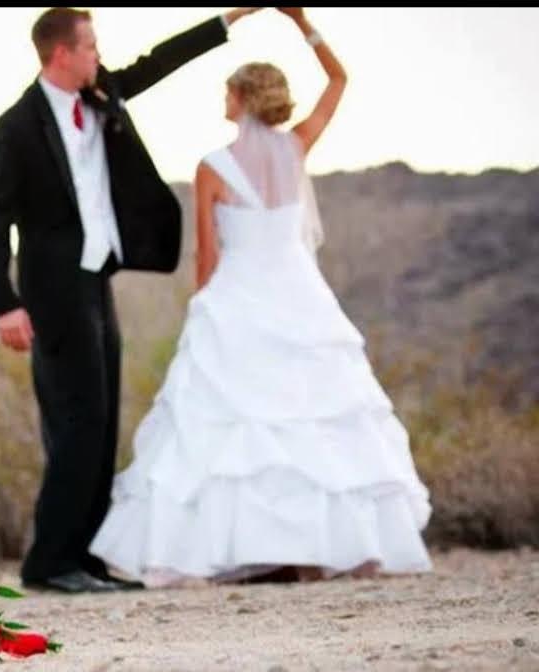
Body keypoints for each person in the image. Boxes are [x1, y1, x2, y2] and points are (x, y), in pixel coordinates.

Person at [89, 7, 433, 587]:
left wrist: (202, 310)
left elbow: (208, 256)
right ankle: (316, 549)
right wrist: (304, 24)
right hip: (300, 295)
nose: (222, 102)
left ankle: (239, 549)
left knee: (235, 426)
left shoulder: (213, 166)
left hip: (239, 297)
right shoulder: (297, 147)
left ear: (243, 98)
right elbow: (339, 81)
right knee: (308, 417)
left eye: (227, 92)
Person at [0, 7, 263, 594]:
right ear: (61, 54)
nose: (98, 57)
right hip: (52, 290)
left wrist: (233, 16)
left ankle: (87, 556)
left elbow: (160, 61)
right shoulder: (17, 126)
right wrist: (4, 302)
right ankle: (51, 562)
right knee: (75, 420)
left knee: (101, 422)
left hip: (95, 280)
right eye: (91, 47)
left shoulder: (101, 97)